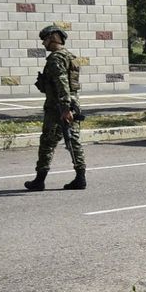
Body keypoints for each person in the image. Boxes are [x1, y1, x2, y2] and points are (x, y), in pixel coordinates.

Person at [24, 25, 86, 191]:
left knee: (47, 142)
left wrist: (64, 107)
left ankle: (39, 180)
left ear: (53, 38)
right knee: (73, 140)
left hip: (57, 107)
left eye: (45, 40)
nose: (43, 44)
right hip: (72, 103)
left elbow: (62, 82)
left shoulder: (55, 58)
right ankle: (80, 178)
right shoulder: (70, 56)